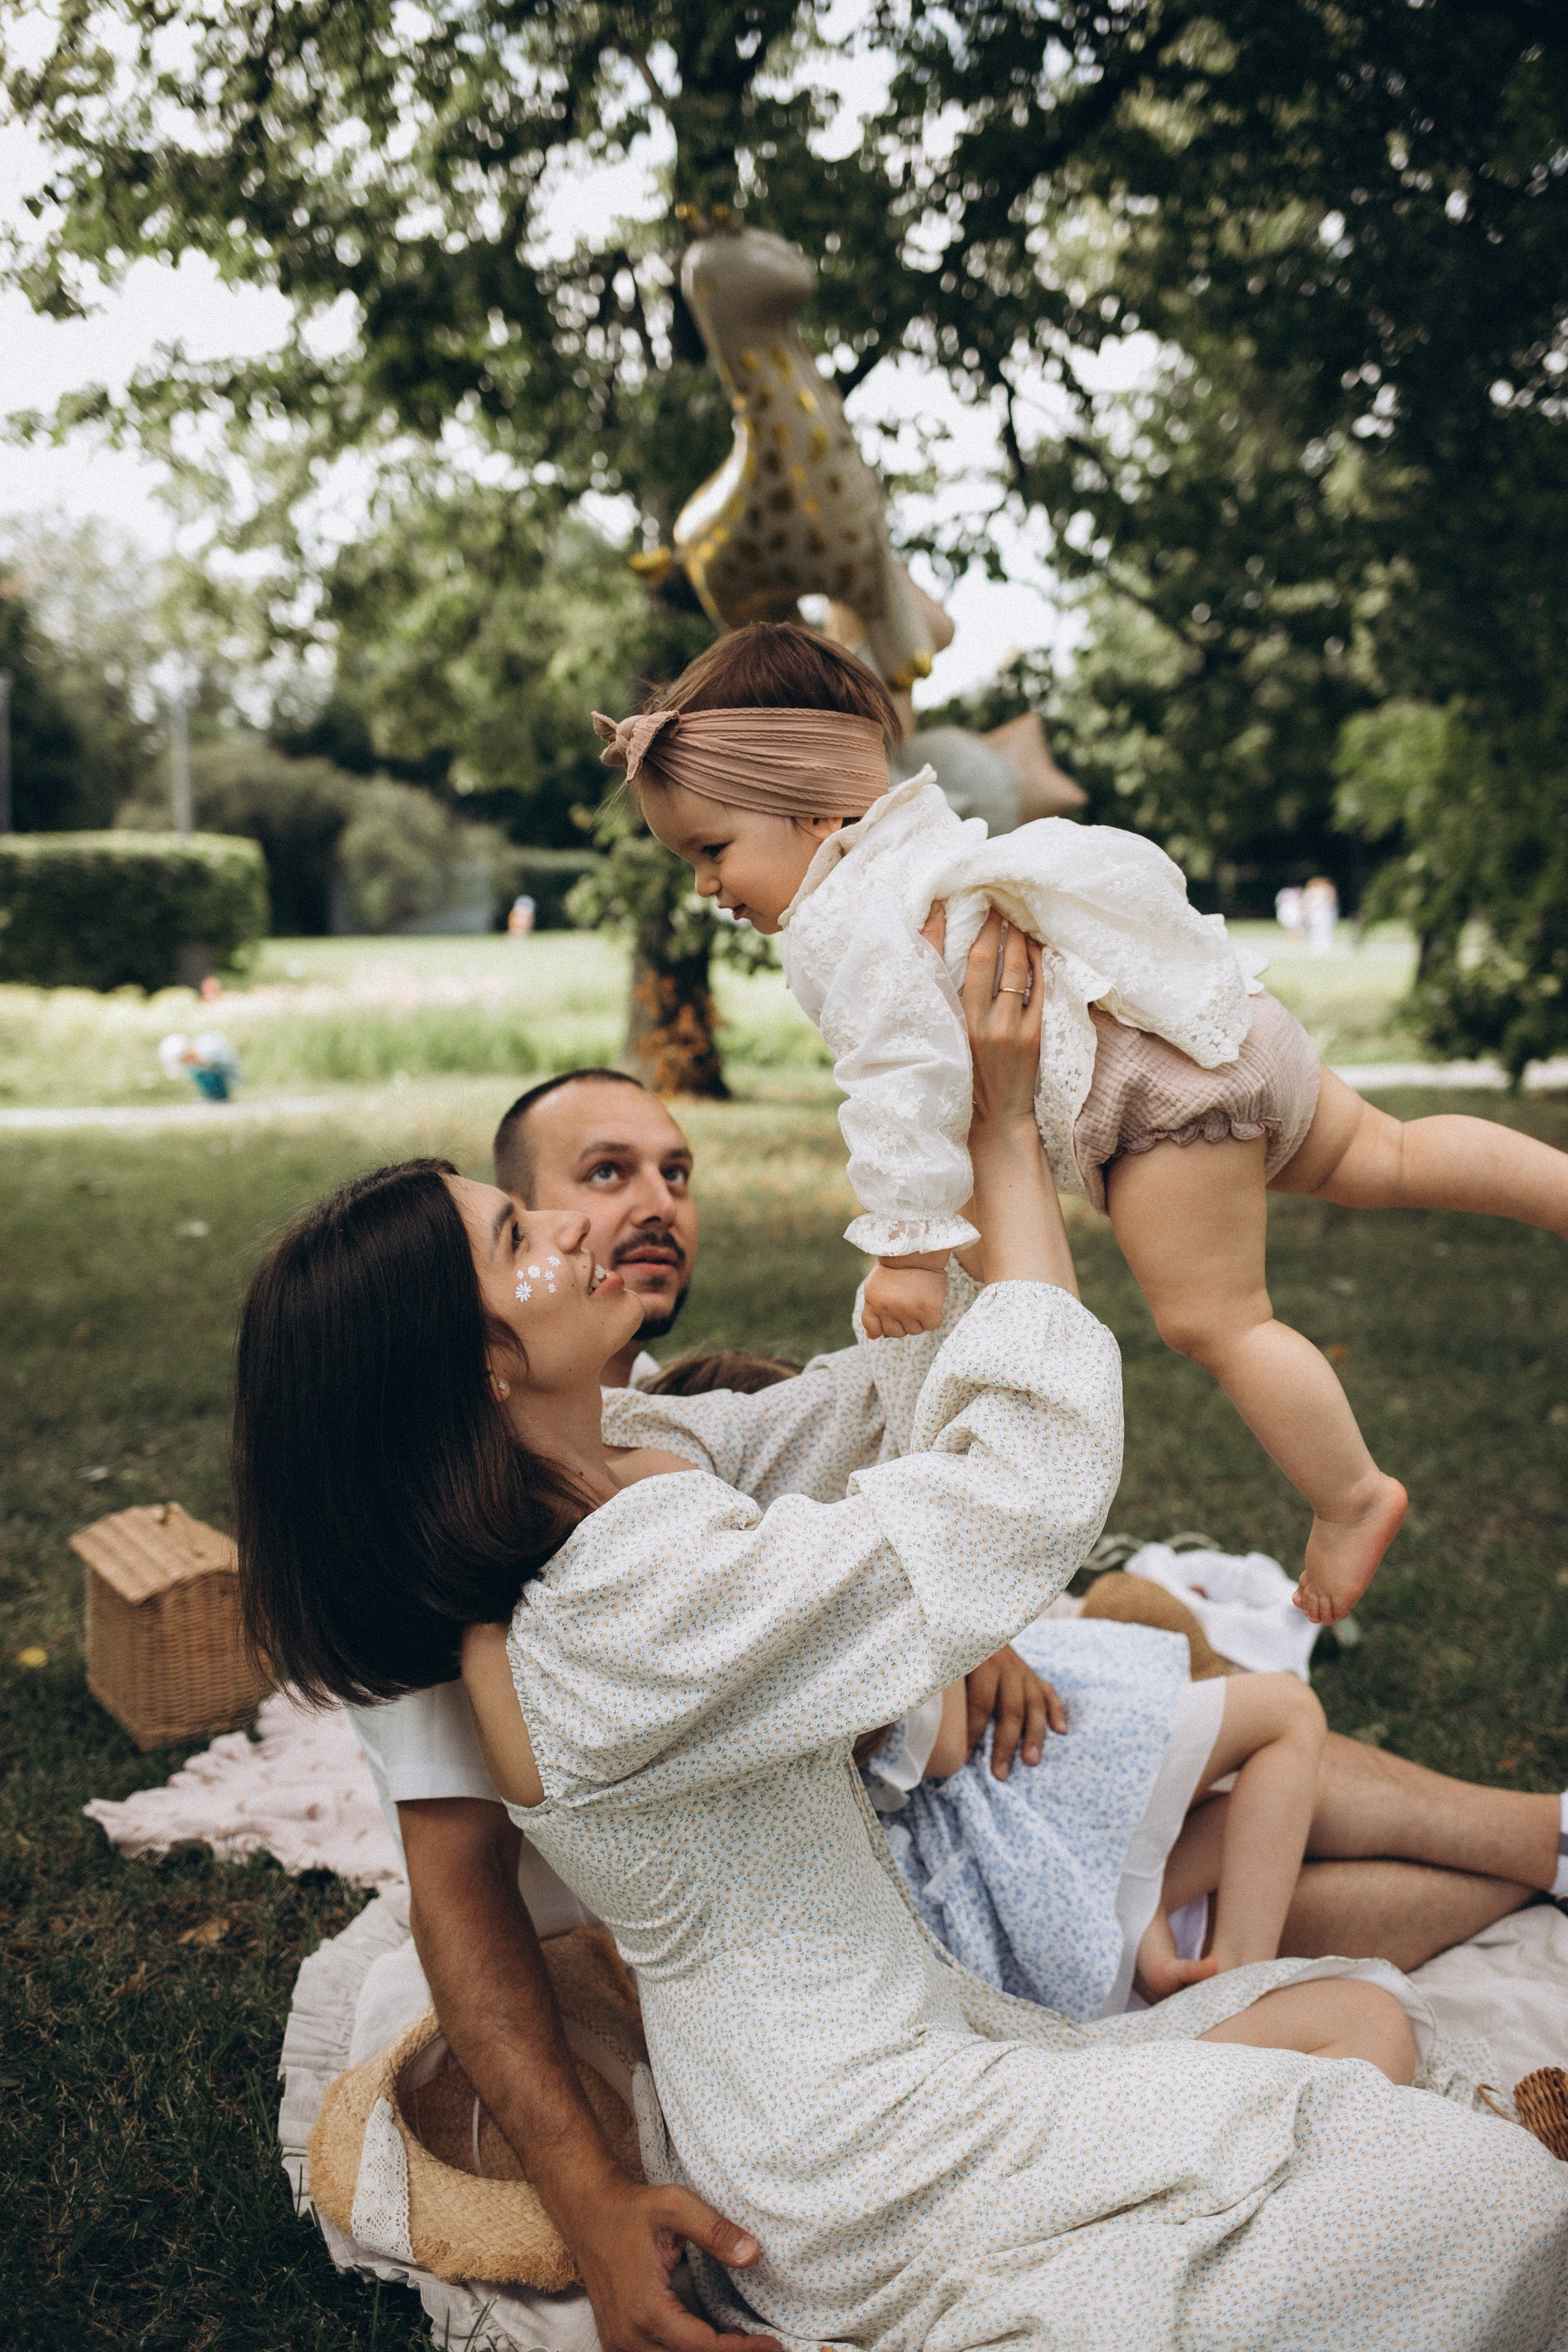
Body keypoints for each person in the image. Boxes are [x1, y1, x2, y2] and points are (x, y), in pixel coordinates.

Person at [235, 914, 1568, 2352]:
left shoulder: (628, 1449)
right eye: (522, 1234)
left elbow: (867, 1406)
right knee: (1486, 2198)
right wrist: (1001, 1140)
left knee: (1358, 2029)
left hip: (908, 2045)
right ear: (477, 1374)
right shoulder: (615, 1597)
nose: (567, 1223)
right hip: (858, 2150)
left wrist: (939, 1131)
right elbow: (1018, 1489)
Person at [598, 622, 1568, 1629]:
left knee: (1219, 1321)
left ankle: (1352, 1496)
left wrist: (910, 1252)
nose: (706, 888)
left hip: (1154, 1102)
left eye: (712, 851)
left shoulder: (843, 920)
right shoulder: (921, 840)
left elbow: (901, 1081)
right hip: (1206, 1015)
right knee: (1391, 1152)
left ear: (812, 811)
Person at [344, 1061, 1058, 2352]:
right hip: (745, 2000)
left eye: (675, 1172)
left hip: (852, 1866)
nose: (647, 1207)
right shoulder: (481, 1548)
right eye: (598, 1179)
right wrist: (594, 2206)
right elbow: (458, 1888)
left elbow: (832, 1450)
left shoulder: (628, 1420)